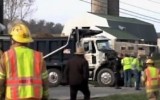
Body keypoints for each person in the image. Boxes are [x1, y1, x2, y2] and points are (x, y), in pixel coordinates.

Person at [0, 22, 49, 99]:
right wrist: (45, 96)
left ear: (12, 40)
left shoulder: (6, 56)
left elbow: (1, 80)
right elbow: (45, 81)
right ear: (28, 41)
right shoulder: (38, 56)